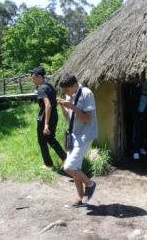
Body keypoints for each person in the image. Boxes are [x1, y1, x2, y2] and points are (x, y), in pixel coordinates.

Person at [57, 73, 98, 208]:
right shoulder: (70, 94)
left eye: (67, 90)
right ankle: (81, 200)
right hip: (74, 135)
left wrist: (72, 107)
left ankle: (90, 184)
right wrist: (64, 107)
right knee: (76, 168)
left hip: (85, 135)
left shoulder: (86, 94)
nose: (65, 93)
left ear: (75, 85)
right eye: (64, 91)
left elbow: (87, 119)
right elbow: (69, 119)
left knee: (69, 167)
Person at [30, 67, 66, 169]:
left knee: (42, 140)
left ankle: (48, 164)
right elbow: (54, 100)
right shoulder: (50, 86)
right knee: (50, 139)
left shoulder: (41, 89)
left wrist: (46, 124)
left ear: (39, 77)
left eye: (33, 77)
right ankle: (64, 158)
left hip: (45, 118)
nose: (31, 79)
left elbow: (48, 105)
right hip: (54, 116)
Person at [132, 83, 147, 160]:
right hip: (138, 112)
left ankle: (142, 147)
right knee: (137, 131)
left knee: (144, 130)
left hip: (146, 113)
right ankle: (135, 151)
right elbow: (132, 99)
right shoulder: (138, 86)